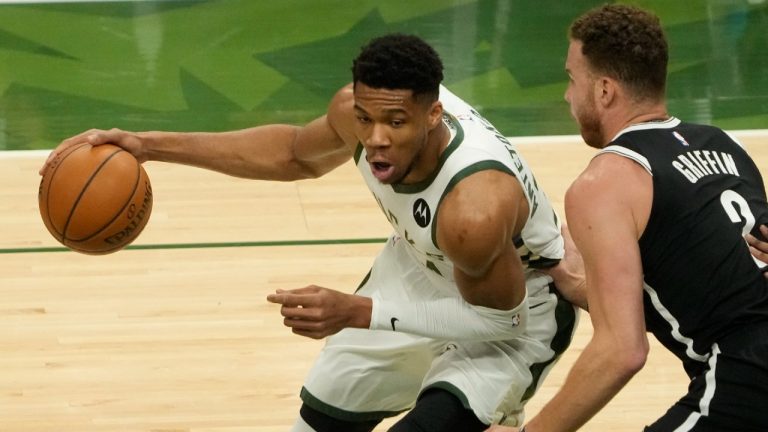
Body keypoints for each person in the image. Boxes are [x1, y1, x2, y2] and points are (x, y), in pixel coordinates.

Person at [41, 34, 582, 431]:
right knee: (319, 421)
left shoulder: (474, 211)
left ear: (434, 114)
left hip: (515, 309)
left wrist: (357, 311)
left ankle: (494, 407)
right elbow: (295, 154)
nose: (375, 141)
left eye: (396, 123)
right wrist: (149, 145)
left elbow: (498, 320)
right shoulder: (358, 114)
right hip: (425, 270)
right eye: (366, 119)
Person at [487, 4, 768, 432]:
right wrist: (585, 286)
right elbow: (710, 283)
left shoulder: (605, 180)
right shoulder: (726, 144)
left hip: (749, 373)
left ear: (603, 90)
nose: (566, 95)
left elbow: (622, 351)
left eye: (571, 79)